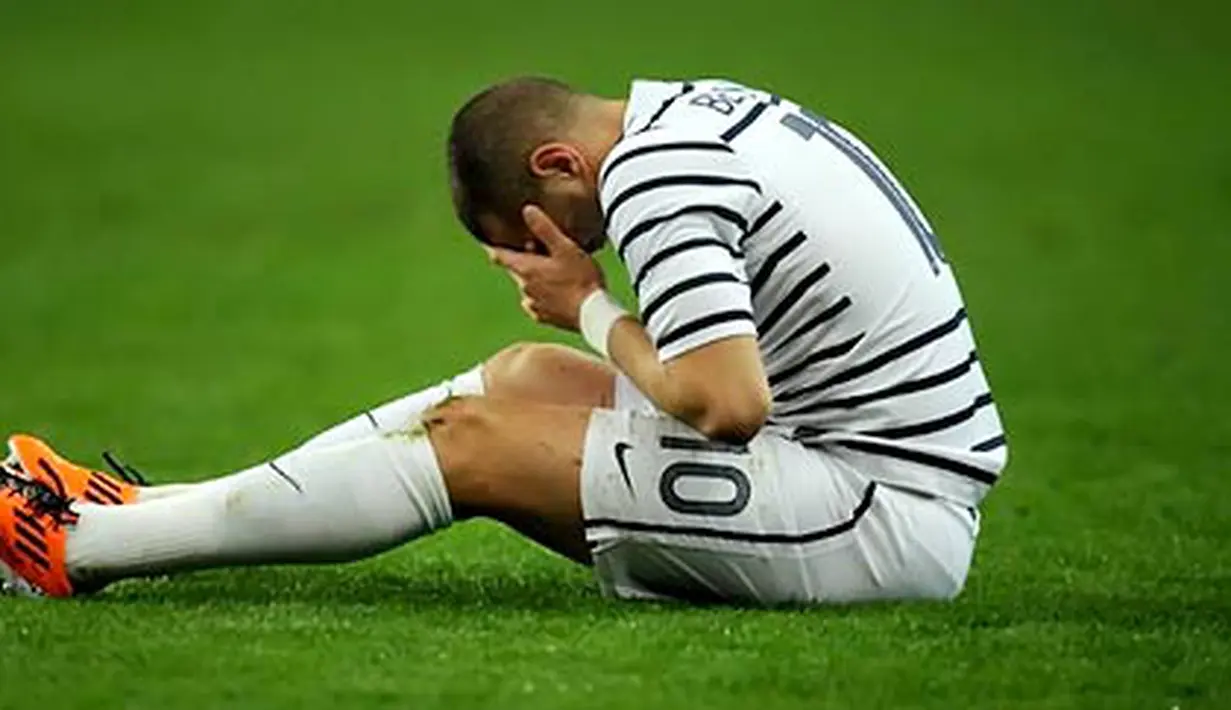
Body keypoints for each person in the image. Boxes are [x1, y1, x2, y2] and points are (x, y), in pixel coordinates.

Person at [1, 77, 1007, 604]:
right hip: (853, 464)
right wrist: (581, 316)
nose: (562, 245)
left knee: (472, 443)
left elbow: (727, 401)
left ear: (562, 162)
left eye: (547, 227)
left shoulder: (654, 179)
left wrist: (589, 304)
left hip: (881, 516)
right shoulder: (692, 111)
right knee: (516, 376)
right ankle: (143, 506)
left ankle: (84, 546)